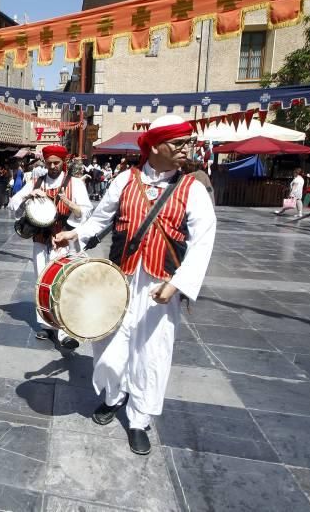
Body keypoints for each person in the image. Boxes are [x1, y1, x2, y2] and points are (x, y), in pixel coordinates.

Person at [53, 115, 216, 455]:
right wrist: (75, 234)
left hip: (161, 286)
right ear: (155, 146)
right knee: (108, 346)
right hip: (120, 278)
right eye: (179, 143)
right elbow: (101, 218)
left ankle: (139, 418)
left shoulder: (194, 189)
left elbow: (203, 241)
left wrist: (178, 283)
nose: (187, 149)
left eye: (188, 143)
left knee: (152, 353)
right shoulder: (125, 179)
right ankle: (114, 396)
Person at [8, 144, 92, 350]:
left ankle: (65, 330)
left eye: (56, 162)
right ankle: (45, 324)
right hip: (40, 239)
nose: (53, 166)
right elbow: (13, 203)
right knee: (42, 281)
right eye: (49, 163)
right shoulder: (36, 181)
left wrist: (68, 203)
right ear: (44, 163)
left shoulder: (75, 184)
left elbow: (86, 213)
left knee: (64, 283)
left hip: (65, 239)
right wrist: (29, 194)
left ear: (63, 163)